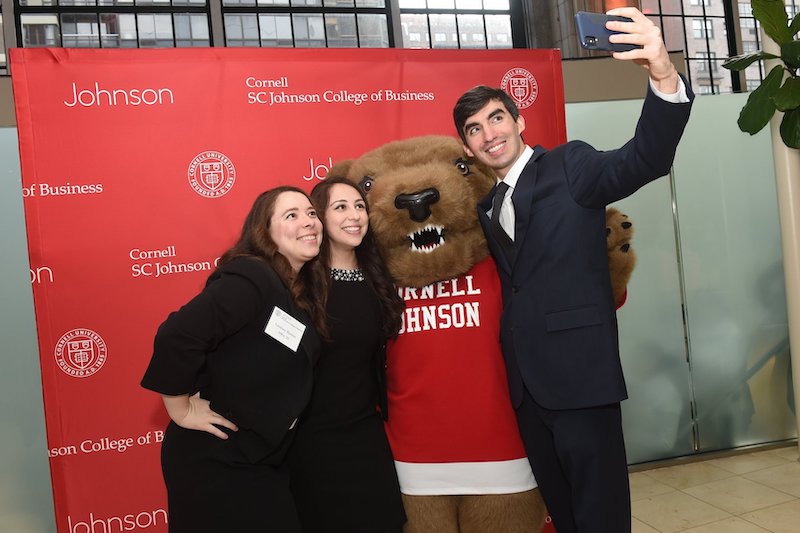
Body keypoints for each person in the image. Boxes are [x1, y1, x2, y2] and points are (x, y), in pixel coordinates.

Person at [452, 8, 693, 533]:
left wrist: (661, 73)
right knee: (563, 516)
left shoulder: (570, 165)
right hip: (527, 389)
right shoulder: (487, 208)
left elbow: (645, 157)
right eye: (474, 129)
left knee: (601, 515)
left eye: (496, 118)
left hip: (582, 381)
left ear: (519, 121)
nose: (489, 133)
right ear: (468, 147)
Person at [140, 186, 327, 533]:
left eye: (312, 213)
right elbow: (177, 335)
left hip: (259, 459)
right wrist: (180, 408)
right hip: (216, 459)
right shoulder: (252, 276)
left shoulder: (294, 292)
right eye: (292, 215)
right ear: (264, 232)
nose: (308, 222)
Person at [287, 176, 407, 533]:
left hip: (367, 436)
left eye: (359, 206)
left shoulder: (379, 276)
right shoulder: (299, 285)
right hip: (312, 444)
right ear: (319, 218)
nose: (355, 216)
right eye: (341, 207)